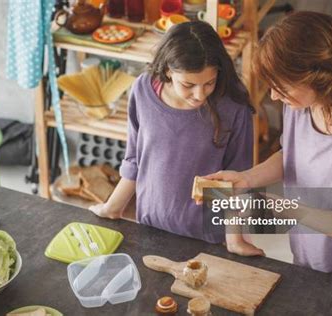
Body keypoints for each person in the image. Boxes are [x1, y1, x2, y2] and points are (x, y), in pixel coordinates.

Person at [206, 11, 332, 313]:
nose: (274, 96)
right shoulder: (301, 103)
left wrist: (285, 209)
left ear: (315, 77)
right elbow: (292, 153)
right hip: (312, 259)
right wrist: (247, 178)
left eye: (280, 87)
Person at [89, 21, 259, 252]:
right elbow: (135, 159)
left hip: (206, 234)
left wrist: (234, 240)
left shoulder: (233, 105)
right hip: (150, 221)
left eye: (209, 83)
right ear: (168, 70)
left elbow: (237, 178)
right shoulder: (143, 90)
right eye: (188, 84)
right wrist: (113, 207)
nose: (199, 94)